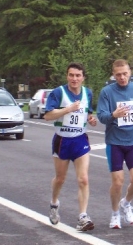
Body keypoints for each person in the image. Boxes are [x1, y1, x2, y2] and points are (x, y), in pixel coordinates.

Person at [44, 62, 97, 231]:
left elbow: (88, 113)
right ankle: (54, 204)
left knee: (83, 179)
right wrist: (67, 110)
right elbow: (47, 115)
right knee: (60, 178)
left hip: (80, 139)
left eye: (78, 75)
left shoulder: (87, 93)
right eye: (71, 75)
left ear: (83, 77)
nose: (74, 79)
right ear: (67, 76)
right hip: (62, 140)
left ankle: (82, 216)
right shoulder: (58, 93)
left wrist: (91, 119)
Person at [96, 59, 133, 229]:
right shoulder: (107, 92)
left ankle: (126, 203)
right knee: (118, 182)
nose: (122, 77)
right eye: (118, 74)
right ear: (114, 75)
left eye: (125, 73)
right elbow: (101, 117)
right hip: (115, 142)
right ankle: (115, 214)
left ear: (130, 72)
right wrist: (114, 114)